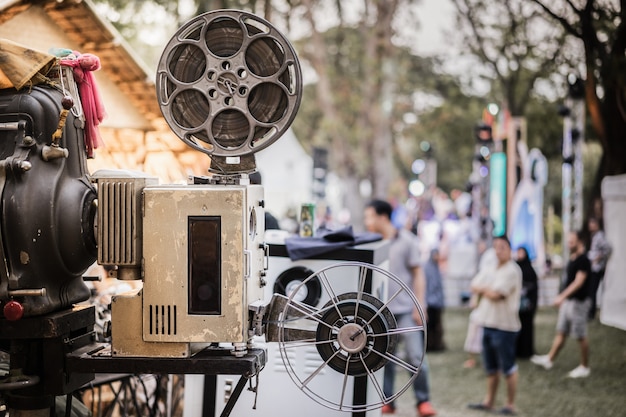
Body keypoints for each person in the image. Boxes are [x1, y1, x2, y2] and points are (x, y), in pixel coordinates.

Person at [363, 199, 437, 417]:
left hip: (405, 310)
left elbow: (418, 274)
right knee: (383, 359)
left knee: (416, 358)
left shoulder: (407, 241)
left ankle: (423, 401)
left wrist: (419, 305)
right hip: (379, 313)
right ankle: (387, 401)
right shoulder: (372, 243)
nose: (367, 221)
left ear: (382, 217)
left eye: (369, 216)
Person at [467, 235, 522, 415]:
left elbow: (496, 294)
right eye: (496, 247)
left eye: (502, 247)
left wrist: (484, 288)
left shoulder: (512, 270)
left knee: (508, 367)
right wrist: (485, 288)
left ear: (509, 249)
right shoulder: (492, 266)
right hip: (488, 323)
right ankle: (489, 401)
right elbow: (474, 285)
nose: (499, 251)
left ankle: (510, 404)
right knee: (491, 367)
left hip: (505, 327)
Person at [531, 230, 592, 378]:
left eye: (572, 241)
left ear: (580, 242)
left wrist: (561, 297)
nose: (568, 244)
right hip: (569, 302)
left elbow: (578, 282)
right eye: (568, 241)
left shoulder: (584, 260)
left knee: (581, 335)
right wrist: (564, 298)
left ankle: (584, 367)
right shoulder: (572, 258)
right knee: (562, 331)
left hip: (579, 303)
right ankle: (550, 359)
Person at [515, 246, 538, 358]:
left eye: (521, 252)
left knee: (527, 328)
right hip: (516, 306)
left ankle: (526, 351)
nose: (519, 255)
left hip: (527, 305)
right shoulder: (515, 268)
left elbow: (533, 288)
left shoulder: (530, 270)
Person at [586, 217, 611, 320]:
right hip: (593, 267)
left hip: (597, 268)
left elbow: (608, 248)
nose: (590, 225)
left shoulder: (599, 236)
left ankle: (591, 313)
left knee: (592, 290)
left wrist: (597, 259)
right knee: (592, 290)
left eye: (592, 223)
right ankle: (591, 312)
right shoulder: (594, 236)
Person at [424, 249, 446, 352]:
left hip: (437, 303)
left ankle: (437, 345)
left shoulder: (437, 268)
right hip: (430, 303)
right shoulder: (427, 268)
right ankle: (429, 345)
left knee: (437, 326)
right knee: (429, 327)